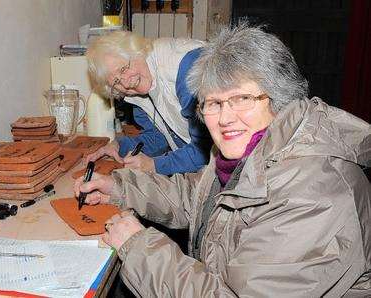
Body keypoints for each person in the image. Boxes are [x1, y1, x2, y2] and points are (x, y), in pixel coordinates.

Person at [75, 22, 371, 297]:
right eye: (213, 103)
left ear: (279, 95)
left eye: (243, 98)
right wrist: (120, 188)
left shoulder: (314, 193)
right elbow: (198, 197)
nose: (225, 118)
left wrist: (139, 247)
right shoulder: (250, 151)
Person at [85, 31, 212, 175]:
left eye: (123, 68)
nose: (127, 82)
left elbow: (204, 150)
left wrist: (154, 165)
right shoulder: (139, 90)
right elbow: (159, 137)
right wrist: (118, 146)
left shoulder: (186, 69)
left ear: (136, 52)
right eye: (116, 82)